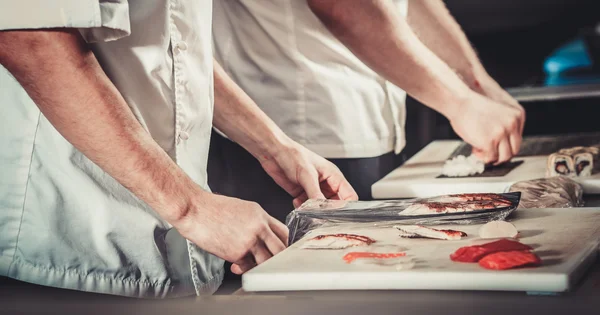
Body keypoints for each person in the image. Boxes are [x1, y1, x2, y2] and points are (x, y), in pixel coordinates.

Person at [0, 1, 357, 298]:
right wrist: (191, 207)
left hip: (182, 240)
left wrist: (274, 146)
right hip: (65, 249)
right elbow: (31, 40)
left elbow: (174, 44)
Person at [209, 0, 526, 222]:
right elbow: (342, 6)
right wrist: (462, 104)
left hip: (377, 133)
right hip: (288, 147)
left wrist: (477, 85)